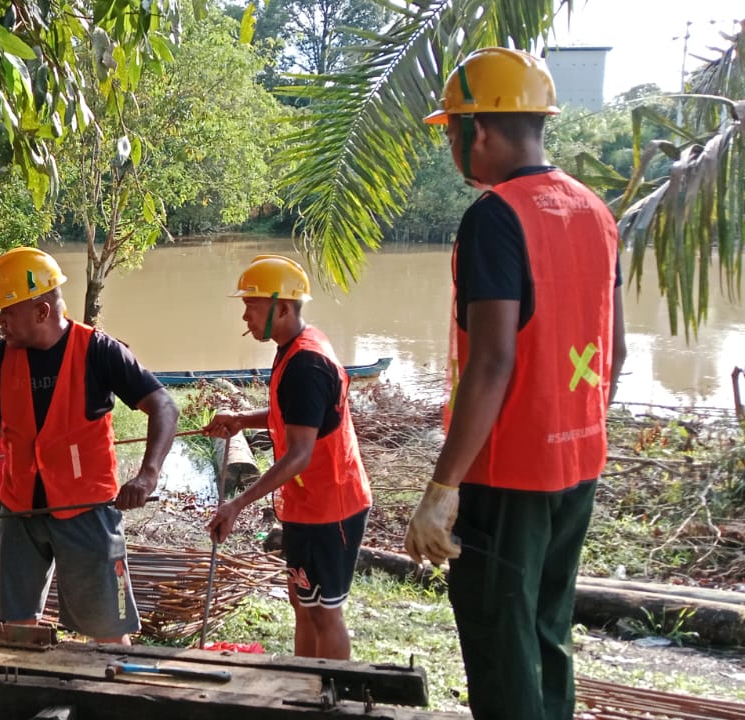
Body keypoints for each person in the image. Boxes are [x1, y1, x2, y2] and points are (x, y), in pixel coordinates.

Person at [404, 47, 626, 720]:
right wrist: (574, 440)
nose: (450, 145)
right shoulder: (596, 211)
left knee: (500, 647)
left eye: (449, 131)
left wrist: (444, 488)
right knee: (547, 631)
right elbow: (614, 353)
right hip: (578, 465)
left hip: (507, 478)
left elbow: (493, 360)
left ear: (478, 130)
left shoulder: (495, 216)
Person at [0, 247, 178, 644]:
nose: (0, 321)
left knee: (107, 631)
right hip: (18, 511)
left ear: (41, 311)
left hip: (85, 511)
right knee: (15, 626)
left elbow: (163, 405)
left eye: (8, 311)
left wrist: (148, 475)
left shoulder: (99, 351)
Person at [202, 255, 372, 660]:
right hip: (305, 504)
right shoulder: (293, 347)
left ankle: (331, 696)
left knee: (325, 614)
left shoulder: (306, 365)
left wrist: (237, 504)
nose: (244, 315)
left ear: (281, 308)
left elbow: (299, 453)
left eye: (251, 305)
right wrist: (244, 419)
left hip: (332, 506)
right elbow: (295, 416)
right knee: (303, 603)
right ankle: (302, 691)